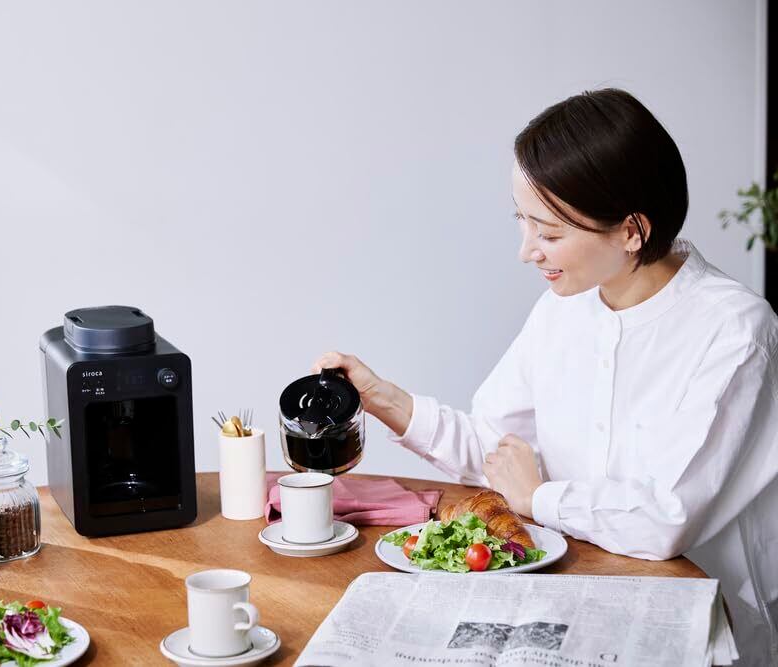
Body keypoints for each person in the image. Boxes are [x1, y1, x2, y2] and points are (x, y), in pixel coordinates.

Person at [312, 89, 778, 666]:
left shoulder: (734, 331)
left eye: (549, 233)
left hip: (696, 631)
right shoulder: (565, 308)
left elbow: (665, 521)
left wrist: (538, 498)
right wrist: (384, 398)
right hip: (573, 607)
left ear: (632, 231)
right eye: (523, 223)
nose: (527, 251)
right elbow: (498, 450)